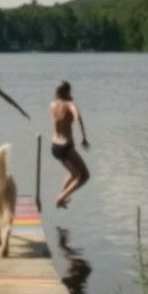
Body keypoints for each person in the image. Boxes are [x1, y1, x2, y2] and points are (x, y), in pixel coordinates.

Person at [50, 80, 90, 208]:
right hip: (66, 147)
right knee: (84, 176)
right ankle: (60, 198)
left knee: (73, 174)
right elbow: (78, 117)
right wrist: (84, 137)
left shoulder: (52, 104)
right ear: (67, 92)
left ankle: (62, 197)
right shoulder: (70, 104)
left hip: (55, 147)